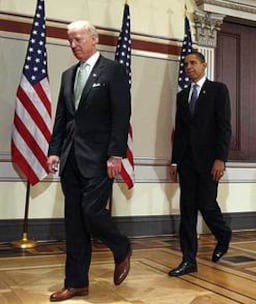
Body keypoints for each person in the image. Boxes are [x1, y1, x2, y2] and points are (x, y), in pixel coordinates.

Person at [47, 20, 132, 301]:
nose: (73, 45)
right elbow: (62, 116)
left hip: (99, 159)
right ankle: (76, 283)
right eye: (69, 40)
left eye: (78, 39)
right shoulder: (68, 75)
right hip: (71, 158)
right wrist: (54, 150)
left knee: (91, 213)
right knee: (74, 224)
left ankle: (121, 246)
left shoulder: (114, 71)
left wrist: (115, 154)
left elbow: (121, 116)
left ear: (94, 39)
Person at [168, 51, 232, 276]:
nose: (189, 67)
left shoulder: (218, 90)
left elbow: (224, 127)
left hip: (209, 162)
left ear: (204, 65)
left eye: (193, 63)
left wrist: (220, 158)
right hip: (186, 163)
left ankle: (223, 234)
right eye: (186, 64)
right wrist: (175, 161)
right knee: (187, 211)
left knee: (206, 204)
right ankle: (188, 260)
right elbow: (180, 131)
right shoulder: (182, 95)